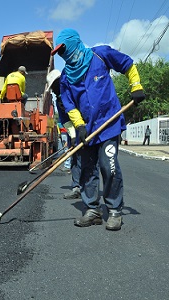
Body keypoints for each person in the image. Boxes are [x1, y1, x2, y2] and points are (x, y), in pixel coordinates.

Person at [51, 28, 146, 231]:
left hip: (109, 125)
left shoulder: (100, 55)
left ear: (74, 42)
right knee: (87, 170)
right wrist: (80, 126)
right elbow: (69, 106)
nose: (62, 54)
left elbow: (128, 65)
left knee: (108, 166)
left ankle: (114, 211)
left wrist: (135, 86)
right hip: (87, 131)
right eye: (59, 52)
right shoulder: (67, 77)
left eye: (63, 49)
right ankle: (92, 210)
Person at [46, 69, 81, 199]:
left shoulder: (73, 90)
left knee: (86, 160)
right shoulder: (58, 100)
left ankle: (88, 190)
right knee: (75, 160)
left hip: (85, 127)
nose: (54, 90)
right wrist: (72, 136)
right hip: (74, 131)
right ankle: (76, 187)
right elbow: (65, 120)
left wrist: (82, 129)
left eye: (55, 86)